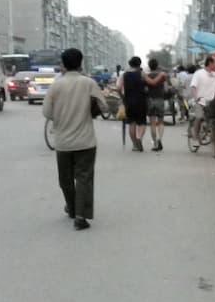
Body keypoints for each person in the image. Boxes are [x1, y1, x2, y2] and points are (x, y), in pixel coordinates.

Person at [44, 48, 108, 231]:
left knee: (65, 179)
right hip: (85, 141)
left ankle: (72, 208)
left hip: (63, 142)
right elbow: (104, 107)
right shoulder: (89, 83)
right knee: (84, 178)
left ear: (63, 64)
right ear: (81, 63)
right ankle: (80, 216)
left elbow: (47, 112)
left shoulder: (56, 85)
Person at [189, 53, 215, 142]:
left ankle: (214, 141)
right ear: (210, 63)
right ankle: (195, 138)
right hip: (199, 101)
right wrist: (196, 97)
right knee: (199, 117)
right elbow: (193, 86)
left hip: (211, 102)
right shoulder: (199, 73)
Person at [119, 56, 148, 151]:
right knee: (142, 122)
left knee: (132, 123)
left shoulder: (124, 74)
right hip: (141, 101)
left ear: (129, 64)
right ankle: (139, 137)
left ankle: (135, 145)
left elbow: (119, 87)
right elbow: (149, 84)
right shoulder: (142, 73)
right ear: (139, 64)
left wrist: (122, 96)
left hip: (129, 101)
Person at [144, 57, 169, 152]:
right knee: (161, 122)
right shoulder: (162, 76)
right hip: (160, 99)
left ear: (149, 66)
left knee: (152, 123)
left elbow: (145, 89)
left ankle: (155, 143)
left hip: (150, 100)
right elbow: (166, 89)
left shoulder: (147, 76)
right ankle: (160, 139)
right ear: (157, 65)